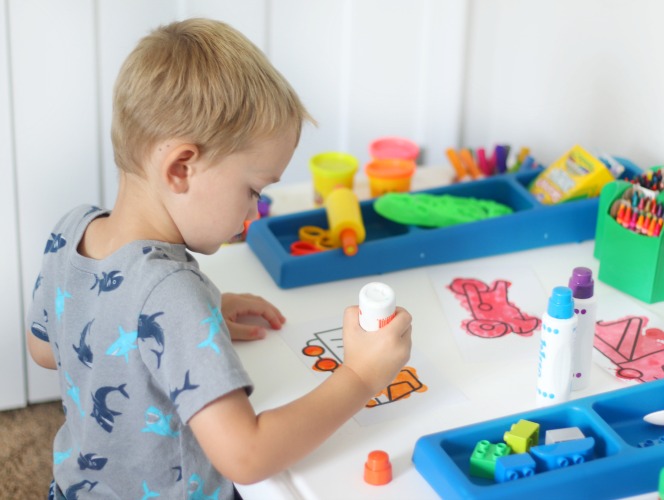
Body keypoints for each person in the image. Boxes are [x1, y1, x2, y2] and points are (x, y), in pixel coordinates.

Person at [26, 18, 412, 500]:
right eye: (252, 190)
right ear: (181, 169)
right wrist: (361, 376)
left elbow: (45, 349)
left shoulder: (71, 229)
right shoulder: (171, 294)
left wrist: (181, 324)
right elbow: (246, 456)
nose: (254, 213)